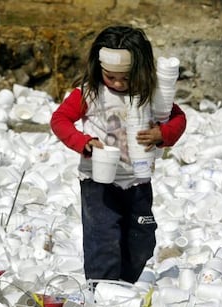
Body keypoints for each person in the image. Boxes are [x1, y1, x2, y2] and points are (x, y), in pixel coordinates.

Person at [50, 25, 186, 283]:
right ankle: (102, 292)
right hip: (98, 182)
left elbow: (178, 118)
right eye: (111, 77)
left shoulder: (150, 94)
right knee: (103, 240)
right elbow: (60, 120)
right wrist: (84, 142)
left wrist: (162, 134)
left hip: (138, 180)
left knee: (142, 239)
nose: (119, 83)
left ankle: (122, 285)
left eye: (127, 77)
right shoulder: (90, 92)